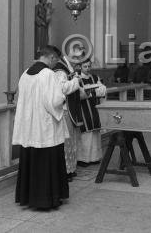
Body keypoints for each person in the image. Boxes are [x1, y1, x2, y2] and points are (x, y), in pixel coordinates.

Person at [13, 45, 80, 209]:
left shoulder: (25, 73)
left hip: (30, 127)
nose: (55, 64)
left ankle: (29, 198)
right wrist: (64, 96)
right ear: (51, 58)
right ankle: (47, 199)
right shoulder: (48, 74)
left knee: (31, 161)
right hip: (45, 128)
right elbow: (54, 101)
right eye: (55, 60)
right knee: (47, 163)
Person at [52, 47, 84, 181]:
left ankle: (71, 169)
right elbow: (63, 89)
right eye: (75, 57)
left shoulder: (69, 67)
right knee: (66, 141)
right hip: (64, 110)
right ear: (68, 54)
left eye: (79, 57)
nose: (78, 60)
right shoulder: (60, 69)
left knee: (72, 140)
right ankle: (65, 171)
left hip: (71, 109)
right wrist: (76, 80)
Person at [77, 58, 107, 165]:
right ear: (80, 67)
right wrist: (92, 92)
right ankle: (83, 159)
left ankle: (95, 158)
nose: (88, 68)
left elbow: (103, 89)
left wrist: (90, 93)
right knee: (85, 135)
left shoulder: (95, 77)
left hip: (94, 108)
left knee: (95, 133)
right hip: (82, 110)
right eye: (85, 66)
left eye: (89, 66)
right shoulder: (77, 79)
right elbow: (79, 95)